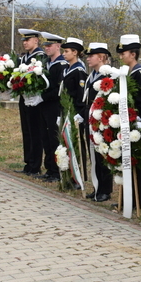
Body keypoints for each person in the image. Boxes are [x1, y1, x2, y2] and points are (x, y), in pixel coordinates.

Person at [76, 42, 114, 201]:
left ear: (101, 57)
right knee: (94, 156)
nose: (88, 59)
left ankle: (105, 189)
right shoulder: (92, 75)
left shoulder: (108, 76)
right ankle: (97, 186)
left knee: (102, 155)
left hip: (101, 122)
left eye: (91, 56)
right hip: (89, 120)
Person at [117, 34, 141, 210]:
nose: (121, 56)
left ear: (133, 54)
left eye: (124, 52)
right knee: (125, 161)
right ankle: (126, 199)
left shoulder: (140, 74)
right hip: (126, 123)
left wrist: (136, 118)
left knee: (134, 162)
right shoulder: (129, 73)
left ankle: (136, 200)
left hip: (136, 125)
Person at [16, 29, 47, 176]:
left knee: (35, 132)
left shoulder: (40, 56)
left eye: (28, 40)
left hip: (36, 100)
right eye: (23, 40)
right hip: (24, 98)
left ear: (36, 40)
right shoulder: (24, 58)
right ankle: (28, 163)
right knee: (26, 131)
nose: (25, 43)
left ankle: (36, 165)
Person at [38, 32, 67, 183]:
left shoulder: (61, 64)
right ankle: (49, 168)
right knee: (46, 137)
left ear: (58, 46)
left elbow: (59, 90)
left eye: (50, 45)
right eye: (45, 46)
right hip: (44, 106)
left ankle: (56, 170)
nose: (47, 48)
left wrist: (42, 96)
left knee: (54, 138)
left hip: (55, 106)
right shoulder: (46, 63)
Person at [60, 37, 87, 188]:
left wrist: (78, 113)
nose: (64, 54)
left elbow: (80, 95)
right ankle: (68, 175)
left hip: (74, 113)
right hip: (65, 110)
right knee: (66, 144)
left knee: (75, 145)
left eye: (67, 51)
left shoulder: (79, 71)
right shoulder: (67, 69)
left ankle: (78, 177)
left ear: (75, 52)